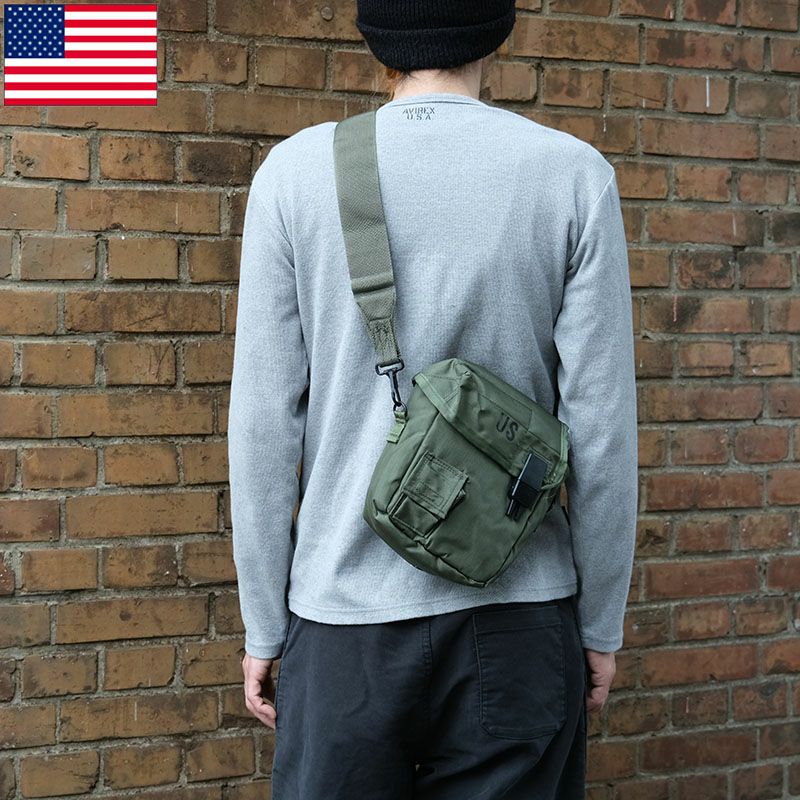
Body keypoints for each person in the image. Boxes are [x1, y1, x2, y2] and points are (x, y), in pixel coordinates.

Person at [227, 1, 639, 797]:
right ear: (497, 32)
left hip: (342, 624)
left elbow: (262, 430)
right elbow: (603, 432)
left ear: (375, 39)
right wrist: (600, 622)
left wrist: (264, 625)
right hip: (518, 617)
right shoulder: (572, 175)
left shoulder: (294, 174)